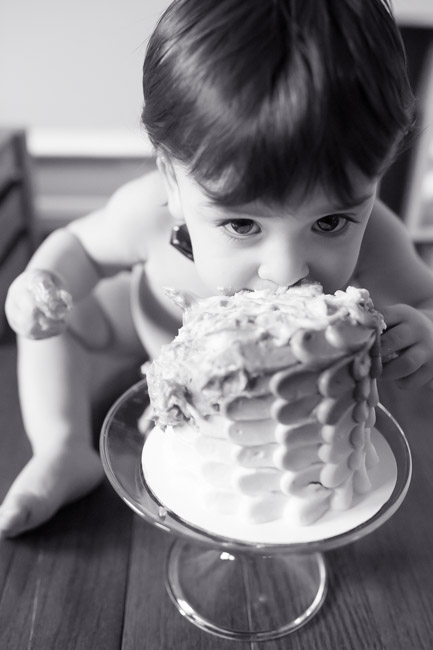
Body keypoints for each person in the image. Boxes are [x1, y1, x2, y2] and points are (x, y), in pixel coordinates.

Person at [2, 0, 433, 538]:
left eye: (330, 223)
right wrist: (42, 284)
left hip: (287, 407)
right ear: (173, 183)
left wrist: (421, 332)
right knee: (58, 319)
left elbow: (423, 299)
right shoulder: (147, 215)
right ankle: (61, 448)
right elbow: (79, 249)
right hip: (147, 331)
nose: (284, 270)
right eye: (242, 226)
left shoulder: (379, 238)